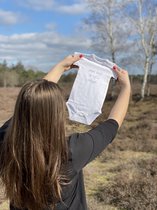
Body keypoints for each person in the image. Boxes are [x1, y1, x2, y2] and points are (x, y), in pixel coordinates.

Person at [0, 54, 131, 210]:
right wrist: (126, 87)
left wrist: (60, 67)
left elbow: (29, 106)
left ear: (20, 108)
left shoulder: (6, 142)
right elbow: (112, 126)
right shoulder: (70, 151)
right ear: (57, 114)